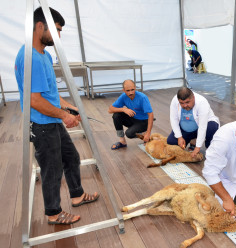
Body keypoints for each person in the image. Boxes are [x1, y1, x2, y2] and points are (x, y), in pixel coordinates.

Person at [14, 7, 99, 225]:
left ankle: (77, 195)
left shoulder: (44, 54)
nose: (58, 36)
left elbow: (49, 93)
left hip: (50, 120)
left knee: (71, 158)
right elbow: (35, 100)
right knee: (52, 170)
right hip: (42, 124)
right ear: (40, 26)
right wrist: (64, 115)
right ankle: (53, 213)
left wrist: (69, 107)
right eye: (56, 30)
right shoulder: (30, 57)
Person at [167, 87, 219, 158]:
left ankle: (210, 149)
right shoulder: (175, 100)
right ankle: (193, 139)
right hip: (187, 126)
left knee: (211, 127)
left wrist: (197, 147)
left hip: (203, 126)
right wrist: (179, 137)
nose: (185, 105)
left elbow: (202, 126)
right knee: (171, 142)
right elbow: (173, 119)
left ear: (193, 98)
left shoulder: (202, 102)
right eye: (182, 103)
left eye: (187, 102)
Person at [108, 79, 154, 149]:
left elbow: (151, 114)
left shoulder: (142, 97)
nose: (131, 93)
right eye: (128, 91)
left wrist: (148, 133)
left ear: (135, 87)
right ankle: (122, 142)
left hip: (144, 122)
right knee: (116, 115)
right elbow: (110, 110)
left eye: (132, 89)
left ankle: (145, 136)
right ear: (123, 90)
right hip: (133, 118)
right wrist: (123, 109)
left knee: (129, 134)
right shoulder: (123, 96)